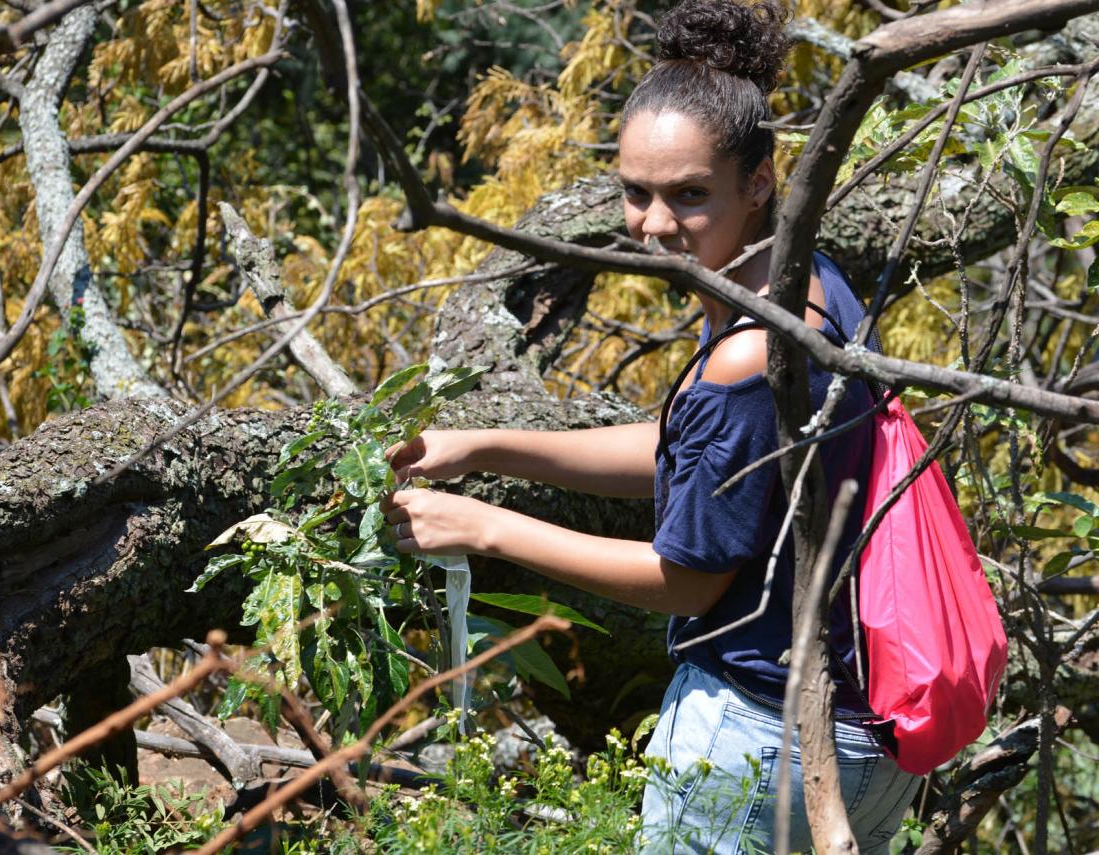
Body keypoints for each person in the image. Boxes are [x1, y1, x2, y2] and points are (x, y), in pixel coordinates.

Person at [380, 1, 921, 851]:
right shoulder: (803, 282)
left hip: (757, 738)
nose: (656, 225)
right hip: (857, 735)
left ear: (760, 179)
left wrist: (484, 525)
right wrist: (482, 446)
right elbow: (683, 448)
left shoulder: (750, 355)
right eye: (636, 192)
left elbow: (686, 582)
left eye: (689, 195)